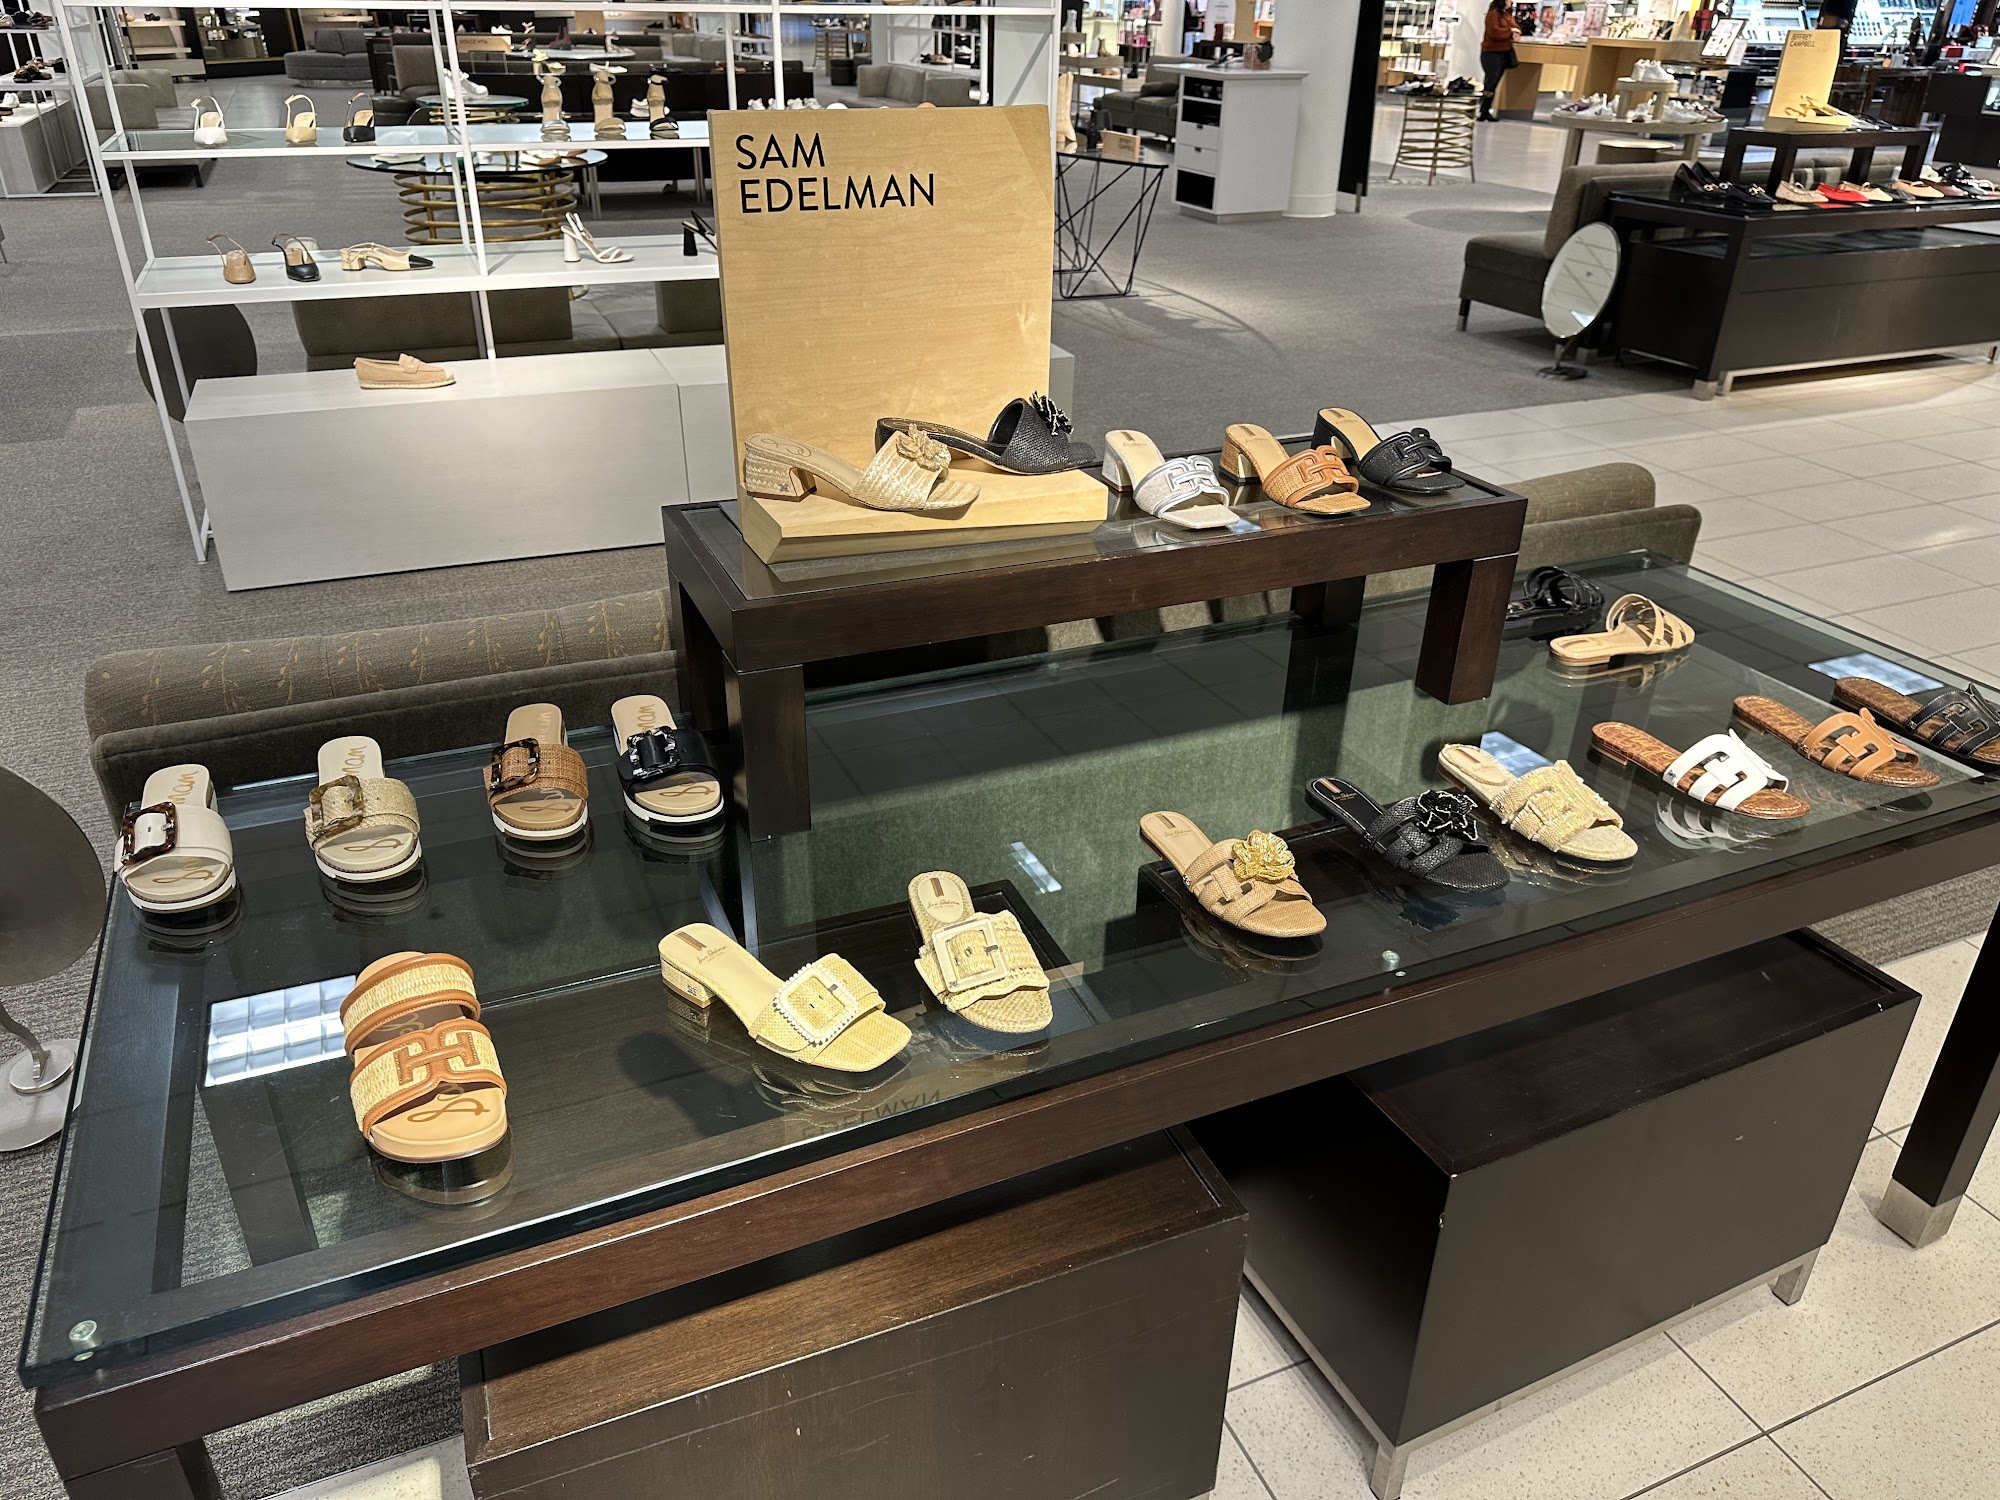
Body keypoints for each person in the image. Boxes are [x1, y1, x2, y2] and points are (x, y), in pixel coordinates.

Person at [1479, 0, 1522, 122]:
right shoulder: (1493, 14)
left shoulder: (1507, 14)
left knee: (1494, 82)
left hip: (1504, 53)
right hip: (1491, 53)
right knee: (1491, 81)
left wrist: (1514, 31)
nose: (1511, 1)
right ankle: (1483, 109)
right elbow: (1494, 32)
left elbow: (1516, 27)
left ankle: (1485, 109)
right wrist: (1510, 32)